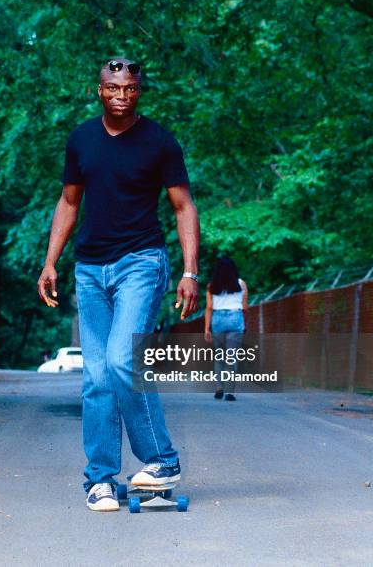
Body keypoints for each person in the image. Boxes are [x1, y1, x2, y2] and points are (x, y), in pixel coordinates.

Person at [37, 57, 200, 511]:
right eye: (113, 88)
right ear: (99, 90)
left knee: (120, 360)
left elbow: (183, 207)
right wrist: (50, 262)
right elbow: (69, 201)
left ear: (139, 91)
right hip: (89, 269)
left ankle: (161, 460)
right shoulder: (81, 139)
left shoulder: (160, 142)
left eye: (129, 89)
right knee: (96, 378)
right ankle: (101, 480)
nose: (121, 96)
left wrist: (190, 271)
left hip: (141, 263)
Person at [204, 256, 248, 401]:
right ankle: (230, 391)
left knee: (219, 357)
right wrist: (244, 324)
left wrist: (207, 329)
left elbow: (209, 308)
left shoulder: (212, 286)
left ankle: (219, 387)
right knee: (232, 357)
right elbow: (245, 307)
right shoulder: (241, 284)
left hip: (218, 319)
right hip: (236, 318)